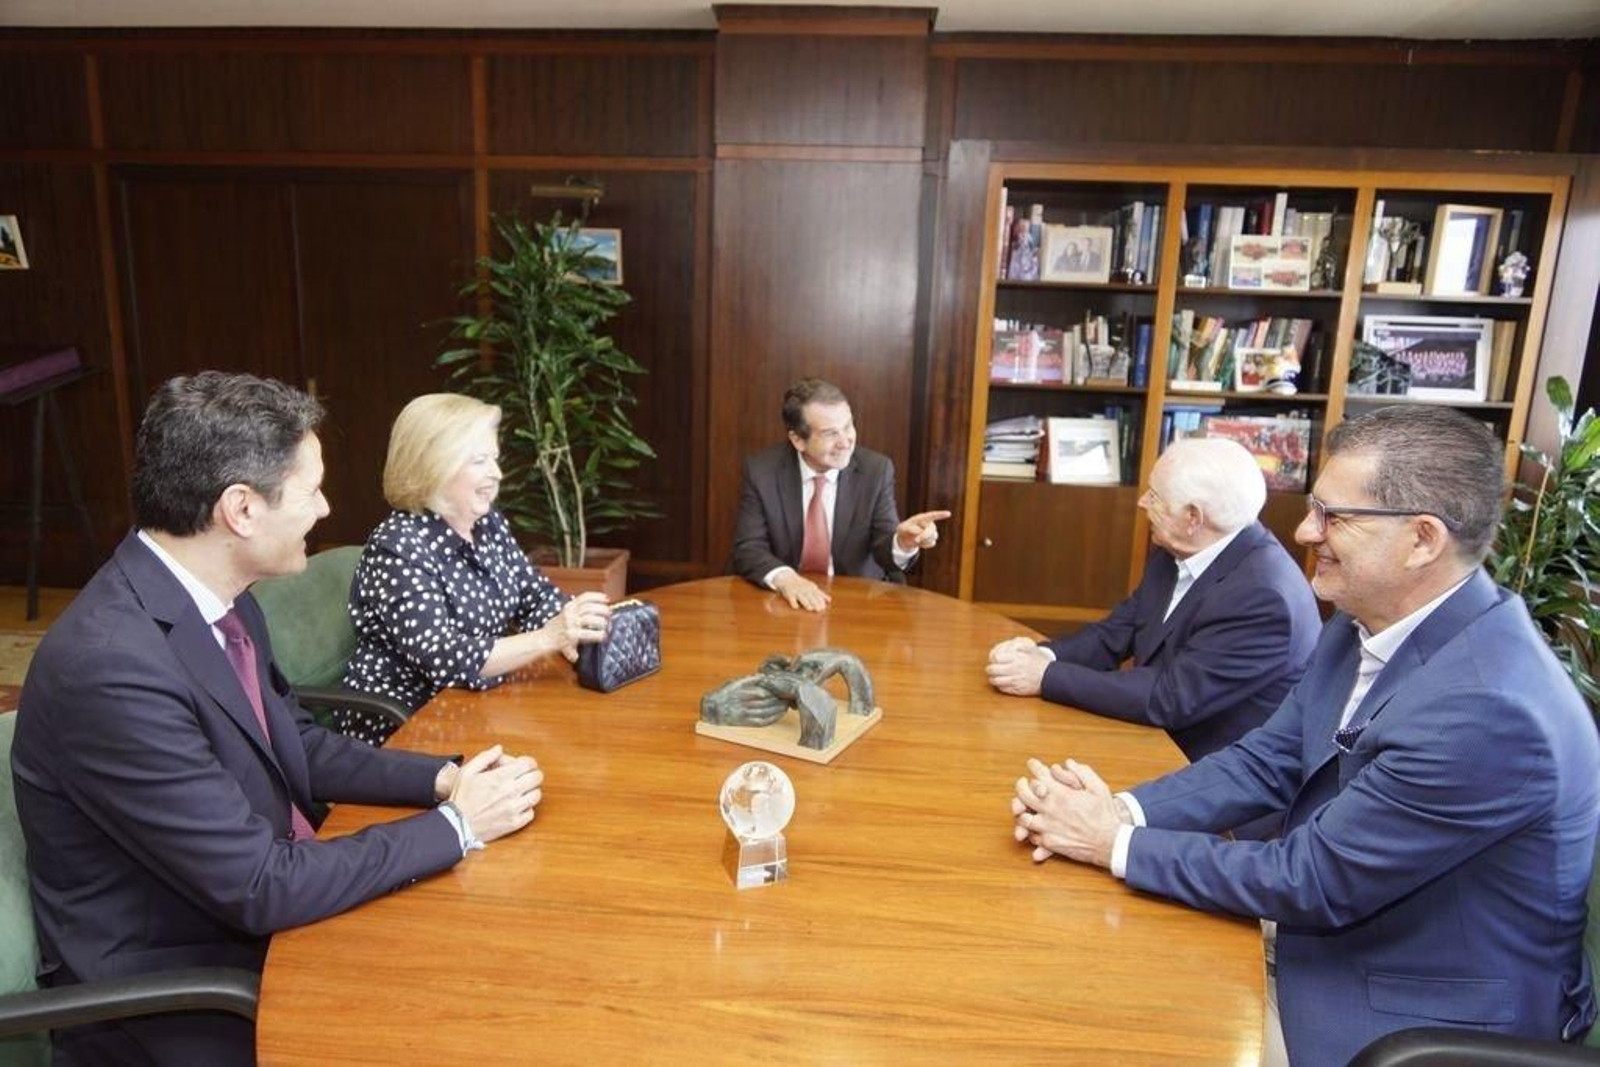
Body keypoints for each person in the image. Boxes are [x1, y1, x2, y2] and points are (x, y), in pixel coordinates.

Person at [1009, 405, 1600, 1065]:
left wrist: (1109, 840)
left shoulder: (1490, 709)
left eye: (1333, 515)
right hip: (1326, 932)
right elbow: (1270, 758)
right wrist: (1122, 808)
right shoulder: (1362, 618)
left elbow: (1312, 878)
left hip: (1409, 1014)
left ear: (1423, 540)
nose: (1303, 529)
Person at [11, 373, 545, 1064]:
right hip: (178, 987)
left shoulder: (219, 596)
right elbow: (260, 886)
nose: (326, 507)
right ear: (241, 509)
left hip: (256, 913)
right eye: (311, 489)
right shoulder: (111, 666)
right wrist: (459, 826)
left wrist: (447, 779)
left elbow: (298, 744)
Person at [985, 437, 1320, 774]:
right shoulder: (1181, 547)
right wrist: (1041, 656)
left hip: (1213, 774)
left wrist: (1046, 677)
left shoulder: (1263, 598)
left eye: (1155, 496)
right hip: (1155, 737)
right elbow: (1120, 629)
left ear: (1193, 518)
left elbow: (1168, 698)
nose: (1143, 502)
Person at [344, 393, 612, 721]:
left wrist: (579, 626)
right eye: (480, 460)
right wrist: (548, 637)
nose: (497, 473)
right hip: (410, 720)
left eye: (495, 459)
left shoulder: (487, 523)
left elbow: (535, 598)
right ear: (435, 465)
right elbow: (444, 658)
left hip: (479, 702)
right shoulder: (396, 546)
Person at [729, 378, 949, 612]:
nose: (845, 442)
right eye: (829, 433)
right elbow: (749, 547)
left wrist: (902, 543)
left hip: (858, 602)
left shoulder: (875, 470)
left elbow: (884, 546)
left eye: (848, 426)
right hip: (783, 603)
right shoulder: (762, 471)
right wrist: (787, 579)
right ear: (797, 440)